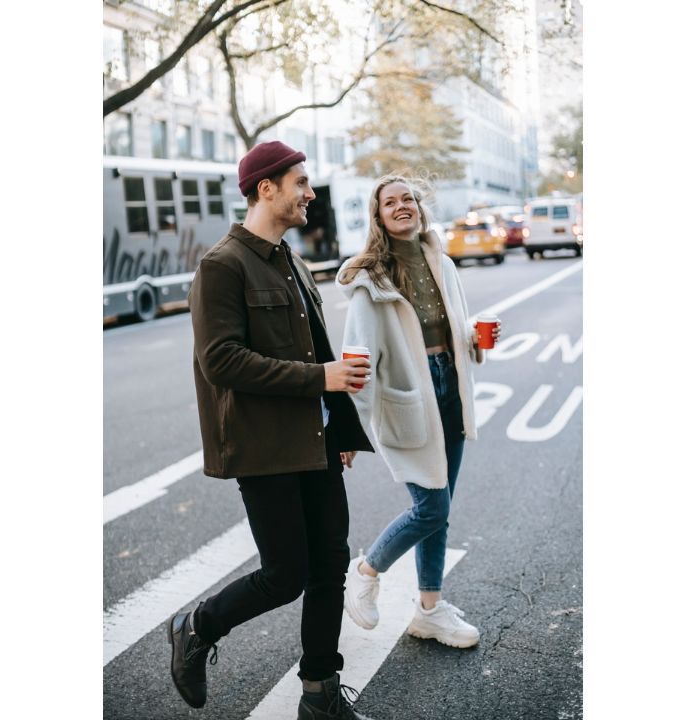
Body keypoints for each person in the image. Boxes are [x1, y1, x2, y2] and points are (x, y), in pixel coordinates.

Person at [170, 140, 378, 720]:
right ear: (268, 188)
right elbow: (222, 361)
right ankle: (195, 626)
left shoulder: (289, 258)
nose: (310, 193)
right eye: (301, 183)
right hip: (264, 447)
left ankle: (319, 694)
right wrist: (323, 378)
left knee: (330, 566)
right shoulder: (222, 266)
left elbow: (316, 348)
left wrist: (339, 429)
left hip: (314, 441)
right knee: (286, 575)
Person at [336, 175, 502, 648]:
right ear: (379, 217)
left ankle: (428, 610)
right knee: (431, 506)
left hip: (450, 387)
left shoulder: (442, 263)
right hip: (409, 396)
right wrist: (351, 430)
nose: (402, 206)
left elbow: (451, 323)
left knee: (440, 507)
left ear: (420, 208)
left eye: (408, 198)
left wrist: (474, 337)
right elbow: (358, 357)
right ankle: (366, 573)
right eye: (391, 202)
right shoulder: (371, 281)